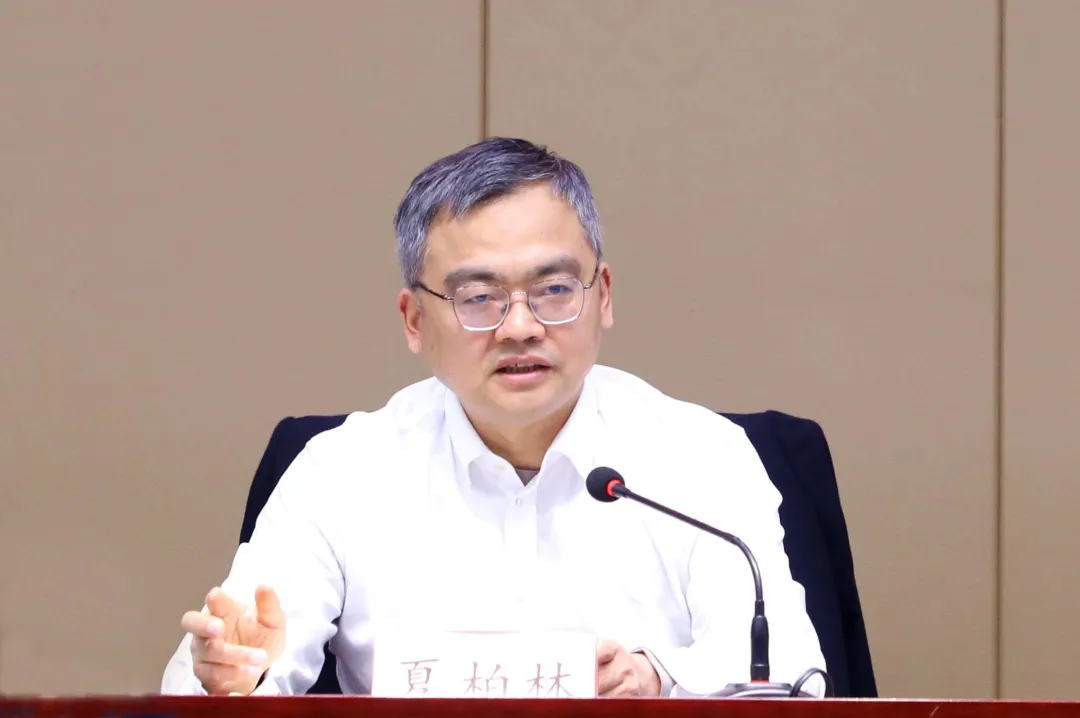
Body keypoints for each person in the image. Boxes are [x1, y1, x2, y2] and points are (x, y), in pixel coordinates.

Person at [160, 137, 826, 698]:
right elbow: (228, 665)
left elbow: (790, 674)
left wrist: (656, 677)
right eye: (478, 297)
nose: (520, 327)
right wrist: (233, 677)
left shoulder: (701, 456)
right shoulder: (342, 471)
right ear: (414, 320)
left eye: (554, 289)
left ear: (603, 296)